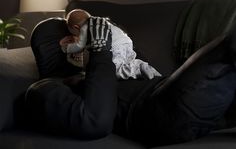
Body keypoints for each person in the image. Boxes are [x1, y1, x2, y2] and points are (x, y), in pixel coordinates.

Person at [25, 15, 236, 147]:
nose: (83, 40)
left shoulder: (116, 68)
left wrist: (112, 46)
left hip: (170, 91)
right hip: (154, 112)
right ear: (55, 50)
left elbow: (140, 67)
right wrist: (99, 52)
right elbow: (95, 122)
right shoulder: (44, 89)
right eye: (74, 39)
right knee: (229, 46)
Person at [59, 9, 161, 79]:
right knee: (125, 62)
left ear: (77, 27)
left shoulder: (85, 27)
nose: (79, 37)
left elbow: (79, 46)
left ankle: (139, 68)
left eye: (75, 33)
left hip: (116, 46)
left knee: (111, 71)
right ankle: (140, 68)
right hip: (126, 42)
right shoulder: (100, 22)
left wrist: (65, 48)